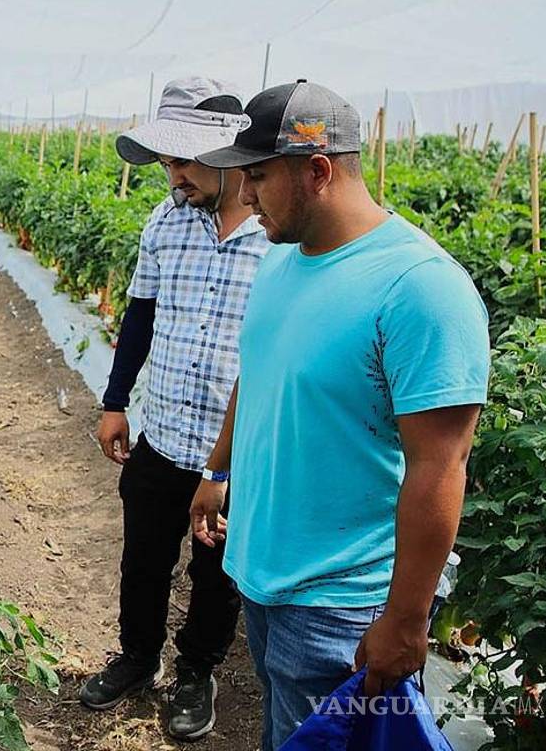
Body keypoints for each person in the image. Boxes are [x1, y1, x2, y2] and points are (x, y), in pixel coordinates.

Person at [189, 79, 489, 750]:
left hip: (344, 608)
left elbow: (441, 464)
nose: (245, 196)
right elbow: (258, 374)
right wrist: (217, 468)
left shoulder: (420, 289)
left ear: (317, 170)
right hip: (264, 577)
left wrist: (406, 622)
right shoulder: (281, 263)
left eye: (258, 177)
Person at [79, 77, 269, 741]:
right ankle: (137, 657)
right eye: (166, 159)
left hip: (234, 449)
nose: (173, 174)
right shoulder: (165, 219)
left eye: (183, 160)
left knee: (217, 572)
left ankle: (196, 671)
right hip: (164, 430)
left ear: (227, 156)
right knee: (142, 557)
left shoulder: (279, 236)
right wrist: (114, 402)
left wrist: (227, 468)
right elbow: (140, 315)